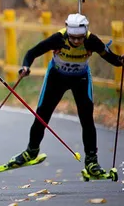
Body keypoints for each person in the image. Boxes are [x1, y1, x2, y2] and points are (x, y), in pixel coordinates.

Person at [7, 13, 124, 176]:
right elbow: (32, 52)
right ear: (68, 33)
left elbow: (112, 59)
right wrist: (25, 67)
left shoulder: (92, 41)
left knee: (87, 119)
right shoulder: (58, 39)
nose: (76, 41)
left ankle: (91, 161)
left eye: (80, 38)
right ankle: (31, 151)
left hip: (80, 79)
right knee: (42, 115)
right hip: (57, 77)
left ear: (85, 34)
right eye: (73, 38)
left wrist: (120, 60)